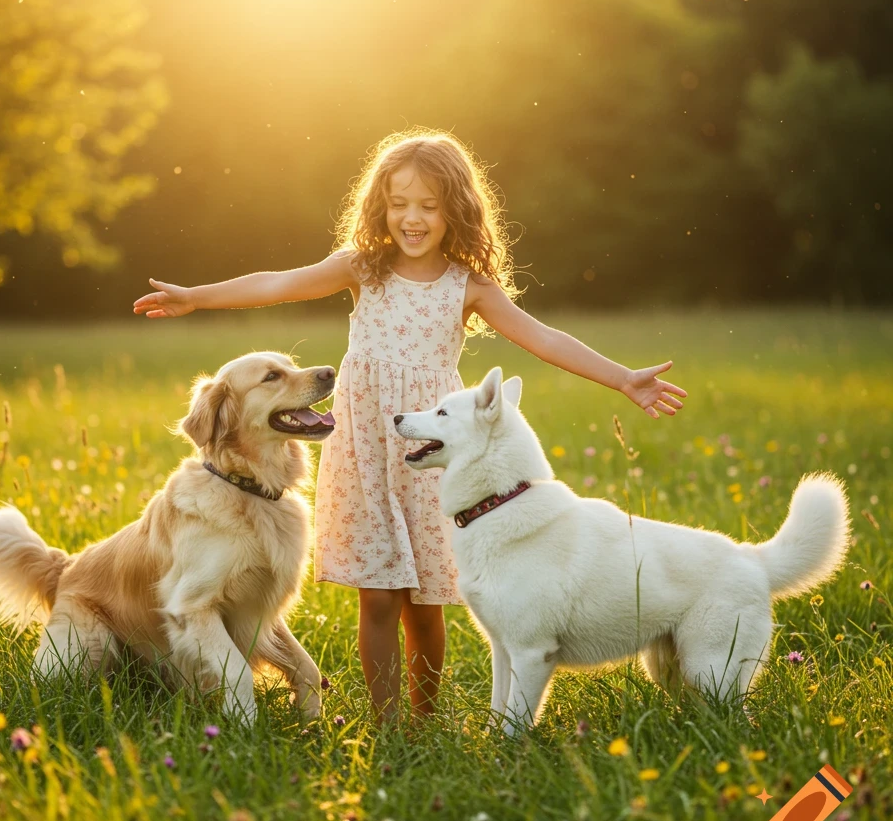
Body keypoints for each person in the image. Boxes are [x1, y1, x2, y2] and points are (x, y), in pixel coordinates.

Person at [133, 130, 687, 722]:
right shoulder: (363, 269)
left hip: (431, 454)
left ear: (456, 210)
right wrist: (197, 296)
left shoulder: (467, 288)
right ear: (381, 206)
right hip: (365, 450)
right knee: (378, 599)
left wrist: (623, 378)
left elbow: (544, 338)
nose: (412, 218)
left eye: (427, 205)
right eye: (399, 204)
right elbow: (277, 283)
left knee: (426, 602)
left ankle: (423, 722)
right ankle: (387, 728)